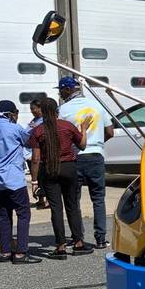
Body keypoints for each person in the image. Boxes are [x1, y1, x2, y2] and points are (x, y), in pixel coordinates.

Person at [56, 76, 113, 248]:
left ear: (67, 89)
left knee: (74, 199)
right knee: (98, 198)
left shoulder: (63, 110)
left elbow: (61, 135)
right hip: (96, 155)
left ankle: (77, 238)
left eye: (61, 90)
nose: (60, 94)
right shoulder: (97, 104)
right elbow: (110, 132)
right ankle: (101, 238)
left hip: (75, 157)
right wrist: (96, 143)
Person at [28, 97, 88, 259]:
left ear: (42, 112)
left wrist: (34, 180)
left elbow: (35, 158)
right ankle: (78, 243)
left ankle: (60, 246)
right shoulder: (67, 126)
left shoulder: (38, 131)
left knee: (56, 208)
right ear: (57, 111)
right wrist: (83, 129)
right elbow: (82, 145)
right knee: (72, 205)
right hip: (69, 167)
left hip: (50, 169)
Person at [0, 100, 39, 264]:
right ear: (9, 114)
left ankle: (5, 251)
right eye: (15, 113)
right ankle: (21, 252)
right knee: (23, 213)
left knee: (3, 214)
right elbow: (28, 141)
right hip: (14, 178)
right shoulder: (15, 128)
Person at [26, 98, 49, 209]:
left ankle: (48, 199)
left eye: (34, 109)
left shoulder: (45, 120)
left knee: (43, 177)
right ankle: (40, 199)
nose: (32, 111)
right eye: (31, 109)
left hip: (39, 153)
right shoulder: (34, 120)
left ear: (41, 108)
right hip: (30, 152)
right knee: (37, 176)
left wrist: (36, 128)